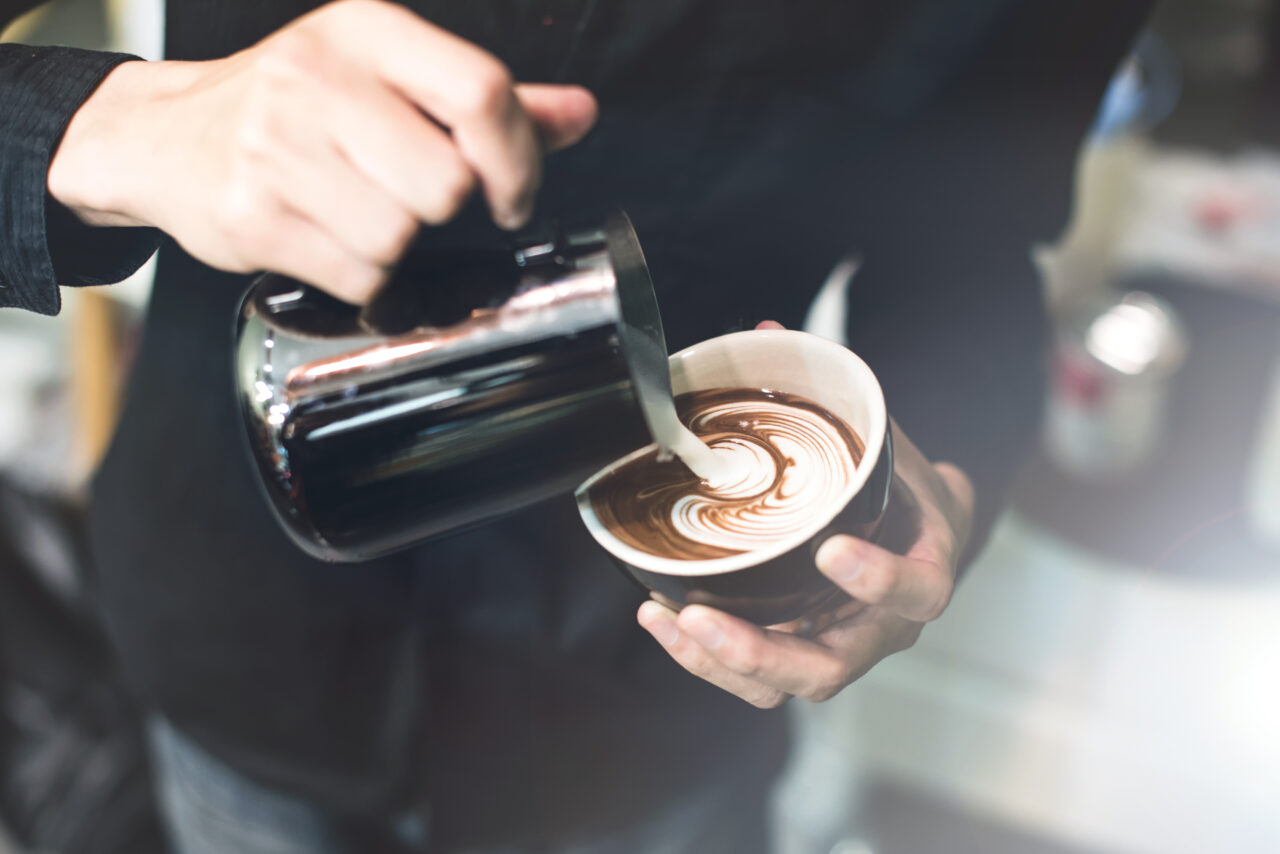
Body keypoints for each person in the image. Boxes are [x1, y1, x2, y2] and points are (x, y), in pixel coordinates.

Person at [0, 1, 1151, 851]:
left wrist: (935, 481)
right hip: (243, 636)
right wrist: (98, 130)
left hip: (653, 707)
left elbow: (968, 240)